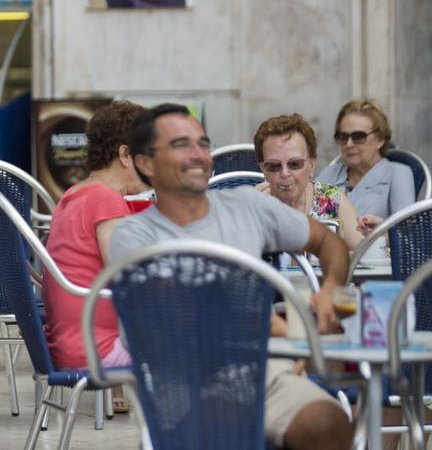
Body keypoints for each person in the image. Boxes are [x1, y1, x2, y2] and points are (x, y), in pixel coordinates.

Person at [109, 103, 352, 449]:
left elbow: (329, 242)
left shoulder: (247, 206)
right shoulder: (134, 235)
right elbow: (169, 320)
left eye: (203, 144)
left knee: (329, 423)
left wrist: (329, 288)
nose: (199, 154)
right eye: (181, 145)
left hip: (264, 375)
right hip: (184, 382)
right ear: (145, 162)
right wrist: (270, 326)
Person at [43, 101, 147, 412]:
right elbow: (130, 278)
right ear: (126, 155)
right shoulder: (106, 201)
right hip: (97, 351)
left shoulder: (77, 194)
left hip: (71, 345)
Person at [253, 113, 363, 249]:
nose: (285, 173)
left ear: (311, 165)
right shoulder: (252, 206)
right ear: (263, 168)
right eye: (274, 166)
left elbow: (365, 254)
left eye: (295, 164)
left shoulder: (331, 200)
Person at [317, 99, 415, 233]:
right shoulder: (331, 174)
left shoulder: (398, 174)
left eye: (358, 136)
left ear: (380, 139)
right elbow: (315, 222)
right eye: (343, 136)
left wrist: (383, 230)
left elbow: (407, 236)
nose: (349, 144)